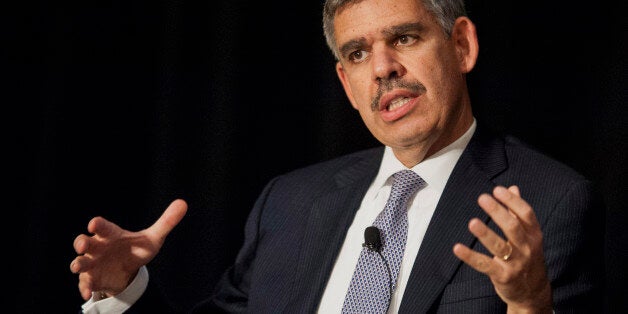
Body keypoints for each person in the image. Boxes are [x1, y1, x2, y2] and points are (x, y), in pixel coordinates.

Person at [70, 0, 605, 312]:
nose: (382, 68)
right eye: (357, 53)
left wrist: (530, 305)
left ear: (461, 45)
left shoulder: (551, 200)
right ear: (347, 85)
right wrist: (126, 291)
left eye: (404, 38)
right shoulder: (290, 201)